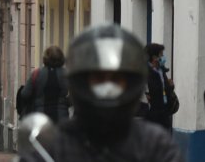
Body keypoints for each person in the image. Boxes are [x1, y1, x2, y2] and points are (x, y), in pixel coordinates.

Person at [18, 25, 182, 162]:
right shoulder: (51, 148)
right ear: (80, 82)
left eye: (116, 79)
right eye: (98, 79)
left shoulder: (155, 146)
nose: (107, 88)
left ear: (132, 83)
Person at [19, 45, 71, 122]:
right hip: (61, 117)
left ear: (45, 58)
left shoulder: (36, 74)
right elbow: (76, 95)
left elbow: (24, 94)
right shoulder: (68, 75)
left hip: (40, 118)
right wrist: (65, 103)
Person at [141, 42, 176, 129]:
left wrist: (170, 87)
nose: (163, 57)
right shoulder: (145, 72)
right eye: (161, 55)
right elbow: (150, 92)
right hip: (152, 116)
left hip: (164, 113)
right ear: (154, 57)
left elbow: (164, 89)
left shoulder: (161, 70)